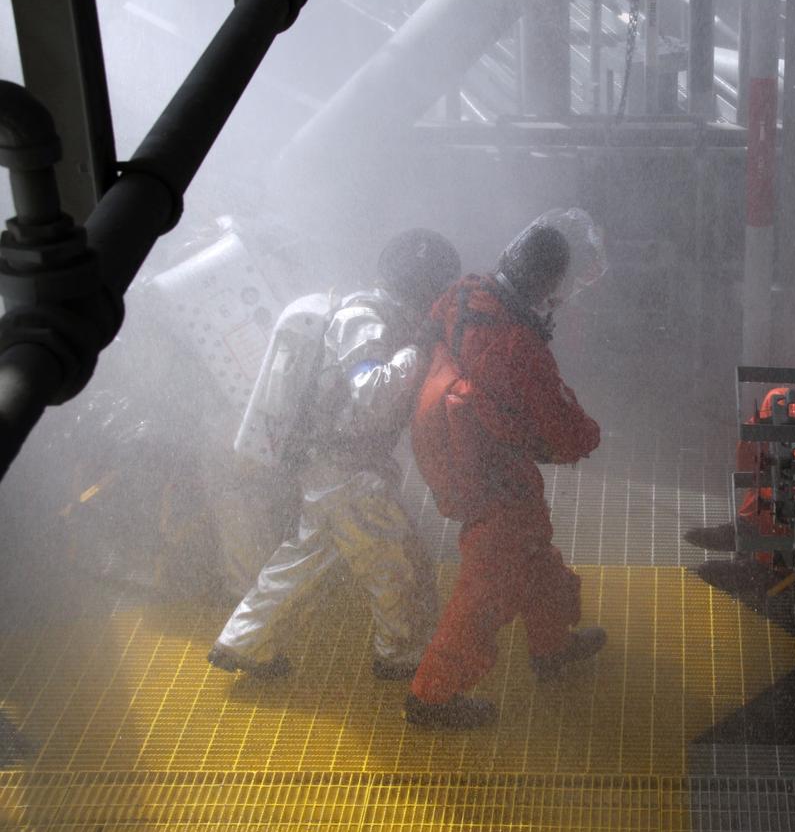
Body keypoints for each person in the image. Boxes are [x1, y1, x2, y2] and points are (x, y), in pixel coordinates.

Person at [207, 228, 461, 679]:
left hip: (335, 466)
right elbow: (373, 393)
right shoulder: (367, 320)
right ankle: (401, 654)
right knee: (394, 562)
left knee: (303, 559)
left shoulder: (375, 312)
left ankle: (245, 643)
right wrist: (418, 349)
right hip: (348, 470)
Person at [403, 209, 606, 729]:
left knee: (531, 550)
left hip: (450, 446)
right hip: (488, 473)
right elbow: (567, 430)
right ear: (548, 281)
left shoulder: (467, 294)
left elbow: (428, 334)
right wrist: (589, 437)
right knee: (488, 583)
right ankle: (431, 697)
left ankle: (552, 644)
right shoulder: (516, 346)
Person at [683, 385, 795, 605]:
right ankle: (746, 533)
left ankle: (759, 568)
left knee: (787, 483)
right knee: (769, 475)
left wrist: (788, 460)